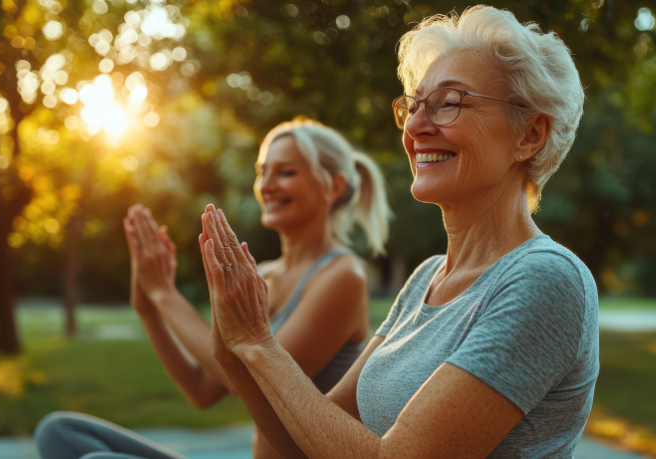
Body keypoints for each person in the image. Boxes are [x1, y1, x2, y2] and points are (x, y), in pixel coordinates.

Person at [201, 6, 597, 459]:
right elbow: (304, 442)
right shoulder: (425, 279)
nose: (414, 127)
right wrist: (236, 349)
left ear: (529, 134)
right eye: (413, 106)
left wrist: (259, 345)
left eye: (448, 103)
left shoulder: (547, 279)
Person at [34, 120, 392, 459]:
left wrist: (165, 295)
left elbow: (245, 381)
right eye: (262, 171)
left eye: (286, 172)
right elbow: (202, 390)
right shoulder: (262, 275)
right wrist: (148, 307)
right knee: (59, 432)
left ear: (333, 186)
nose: (267, 185)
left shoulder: (343, 276)